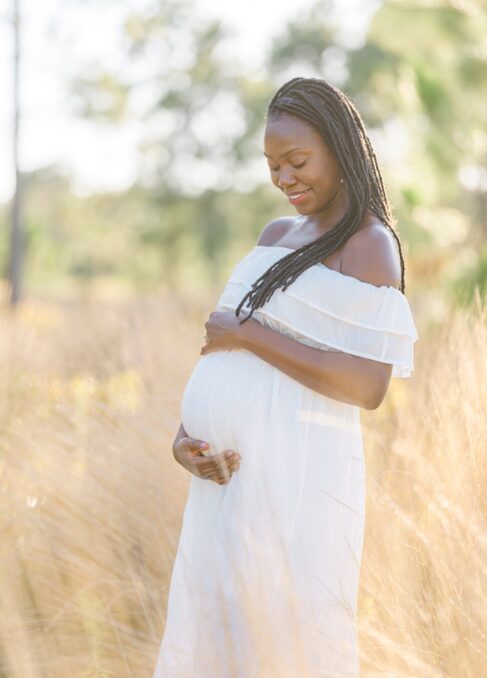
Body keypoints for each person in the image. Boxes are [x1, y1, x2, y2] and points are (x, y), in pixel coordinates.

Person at [154, 77, 417, 677]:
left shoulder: (368, 246)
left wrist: (251, 334)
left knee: (283, 640)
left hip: (297, 473)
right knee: (218, 634)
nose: (284, 178)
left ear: (341, 149)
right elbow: (220, 351)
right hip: (222, 483)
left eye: (298, 161)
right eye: (273, 166)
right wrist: (183, 437)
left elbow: (370, 386)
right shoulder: (275, 236)